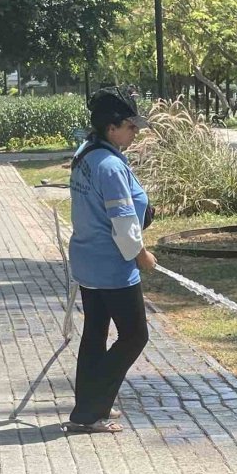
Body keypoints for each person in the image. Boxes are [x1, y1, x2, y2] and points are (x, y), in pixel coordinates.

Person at [66, 86, 157, 434]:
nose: (135, 133)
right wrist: (142, 255)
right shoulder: (109, 167)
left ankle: (91, 405)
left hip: (88, 263)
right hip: (113, 266)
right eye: (131, 127)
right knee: (134, 336)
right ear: (112, 127)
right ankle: (89, 411)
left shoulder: (86, 154)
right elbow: (122, 224)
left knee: (95, 334)